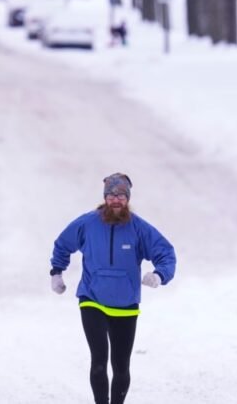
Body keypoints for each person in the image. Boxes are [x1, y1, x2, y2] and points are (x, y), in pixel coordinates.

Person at [50, 173, 176, 404]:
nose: (115, 200)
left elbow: (166, 253)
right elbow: (62, 244)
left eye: (120, 195)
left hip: (126, 304)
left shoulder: (138, 228)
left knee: (120, 368)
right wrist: (57, 271)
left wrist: (160, 275)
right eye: (111, 195)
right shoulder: (87, 224)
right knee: (99, 363)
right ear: (104, 197)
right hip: (92, 299)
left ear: (127, 198)